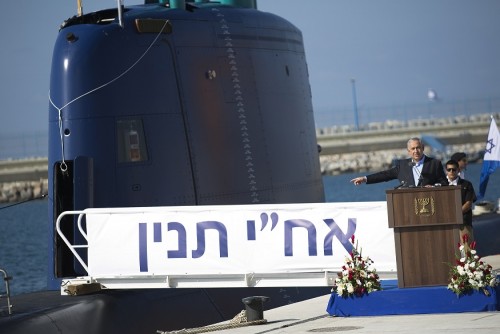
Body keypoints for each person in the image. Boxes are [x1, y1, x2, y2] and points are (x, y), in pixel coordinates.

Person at [350, 137, 448, 187]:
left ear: (423, 148)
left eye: (418, 148)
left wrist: (434, 186)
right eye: (413, 149)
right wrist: (365, 178)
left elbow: (444, 183)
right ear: (408, 151)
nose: (416, 151)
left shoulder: (434, 164)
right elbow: (385, 175)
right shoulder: (403, 165)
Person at [445, 159, 477, 242]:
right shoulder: (441, 185)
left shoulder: (467, 184)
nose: (451, 171)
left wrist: (456, 214)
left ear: (458, 170)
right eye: (449, 170)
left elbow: (468, 203)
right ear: (446, 171)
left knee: (467, 250)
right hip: (446, 223)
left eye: (454, 169)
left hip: (464, 222)